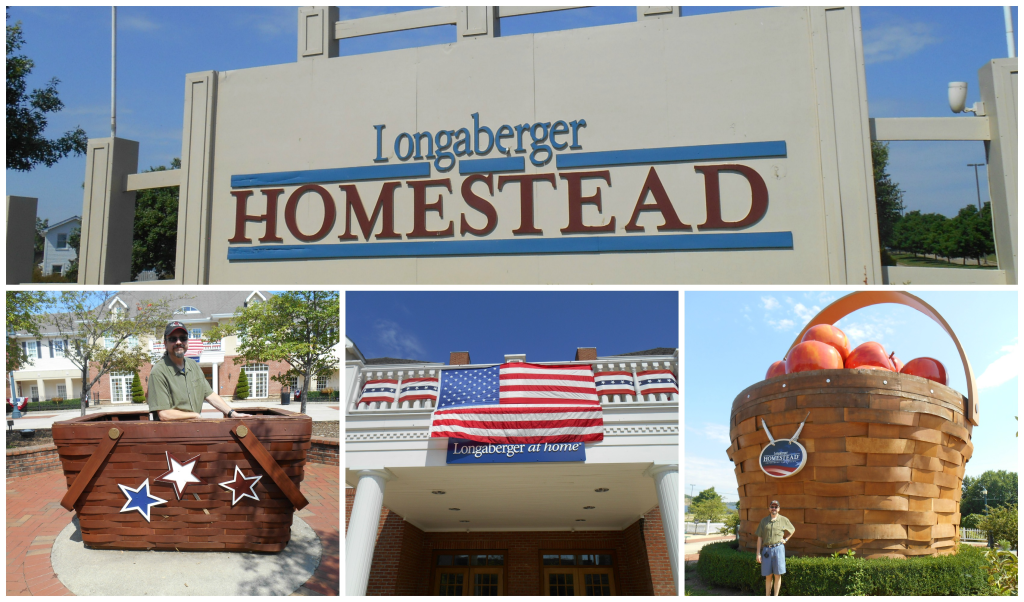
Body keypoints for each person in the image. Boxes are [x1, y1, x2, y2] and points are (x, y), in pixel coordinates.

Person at [147, 321, 250, 421]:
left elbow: (209, 394)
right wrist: (194, 415)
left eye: (183, 338)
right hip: (171, 435)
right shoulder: (158, 372)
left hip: (195, 431)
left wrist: (232, 413)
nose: (178, 342)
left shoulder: (193, 366)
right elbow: (164, 414)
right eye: (173, 339)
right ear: (165, 343)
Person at [755, 500, 795, 596]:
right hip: (766, 550)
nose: (774, 509)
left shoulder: (783, 520)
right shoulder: (764, 521)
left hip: (779, 549)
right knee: (768, 575)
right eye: (772, 507)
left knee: (777, 575)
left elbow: (792, 529)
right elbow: (759, 538)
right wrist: (758, 553)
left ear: (779, 509)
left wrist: (786, 539)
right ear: (769, 509)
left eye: (776, 507)